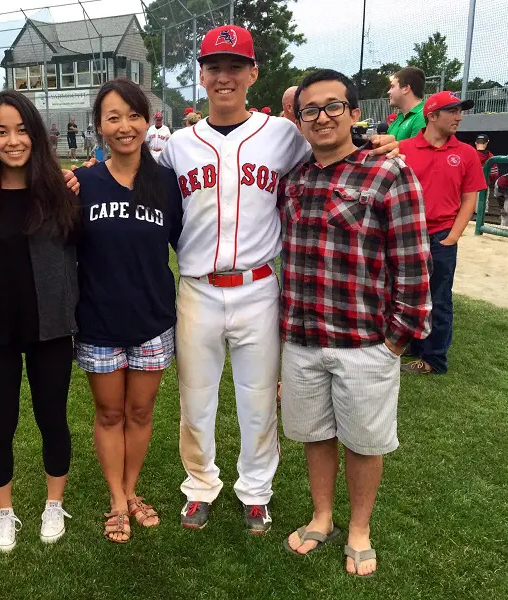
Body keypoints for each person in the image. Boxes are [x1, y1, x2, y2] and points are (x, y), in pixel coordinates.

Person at [159, 25, 401, 535]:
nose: (224, 77)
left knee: (258, 395)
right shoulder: (178, 145)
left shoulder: (284, 135)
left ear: (253, 73)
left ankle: (255, 492)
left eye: (234, 66)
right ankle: (200, 486)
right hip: (197, 288)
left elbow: (335, 154)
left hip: (261, 287)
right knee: (195, 398)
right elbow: (134, 175)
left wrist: (377, 143)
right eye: (214, 67)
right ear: (201, 75)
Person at [280, 69, 431, 578]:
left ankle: (359, 528)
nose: (322, 117)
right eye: (310, 109)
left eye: (332, 106)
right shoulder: (296, 178)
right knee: (315, 435)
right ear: (299, 119)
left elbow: (412, 263)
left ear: (354, 112)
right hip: (301, 339)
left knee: (364, 441)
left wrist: (396, 340)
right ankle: (322, 516)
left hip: (365, 342)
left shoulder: (389, 173)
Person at [0, 91, 78, 552]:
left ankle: (53, 503)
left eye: (23, 129)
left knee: (53, 418)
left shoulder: (60, 192)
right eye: (1, 131)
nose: (13, 141)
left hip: (50, 327)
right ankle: (4, 513)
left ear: (37, 134)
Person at [73, 78, 182, 543]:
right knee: (109, 412)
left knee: (140, 412)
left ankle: (132, 490)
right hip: (98, 321)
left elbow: (184, 242)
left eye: (133, 115)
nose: (124, 126)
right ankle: (115, 498)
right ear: (99, 126)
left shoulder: (166, 184)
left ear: (147, 120)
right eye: (113, 117)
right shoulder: (82, 182)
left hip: (152, 321)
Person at [400, 91, 487, 375]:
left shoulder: (466, 153)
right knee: (405, 294)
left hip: (441, 236)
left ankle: (434, 359)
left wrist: (453, 236)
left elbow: (470, 199)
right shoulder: (403, 149)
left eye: (460, 111)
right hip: (407, 237)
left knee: (438, 299)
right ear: (432, 115)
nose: (459, 117)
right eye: (452, 111)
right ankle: (412, 344)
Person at [387, 67, 426, 140]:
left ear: (406, 89)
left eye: (392, 87)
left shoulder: (422, 117)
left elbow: (416, 151)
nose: (388, 92)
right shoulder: (399, 118)